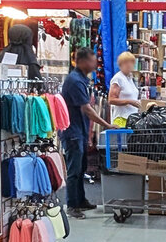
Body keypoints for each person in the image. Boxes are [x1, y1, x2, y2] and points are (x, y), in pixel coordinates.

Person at [61, 47, 112, 218]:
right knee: (74, 170)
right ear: (82, 61)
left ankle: (80, 200)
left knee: (81, 167)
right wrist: (106, 125)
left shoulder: (82, 80)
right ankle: (72, 205)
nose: (95, 64)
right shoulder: (75, 81)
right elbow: (87, 109)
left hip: (80, 131)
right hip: (72, 132)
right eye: (92, 61)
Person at [108, 51, 143, 127]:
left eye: (131, 62)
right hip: (121, 119)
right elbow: (111, 100)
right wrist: (129, 101)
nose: (129, 65)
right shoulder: (118, 78)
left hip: (132, 119)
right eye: (126, 63)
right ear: (120, 64)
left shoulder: (130, 78)